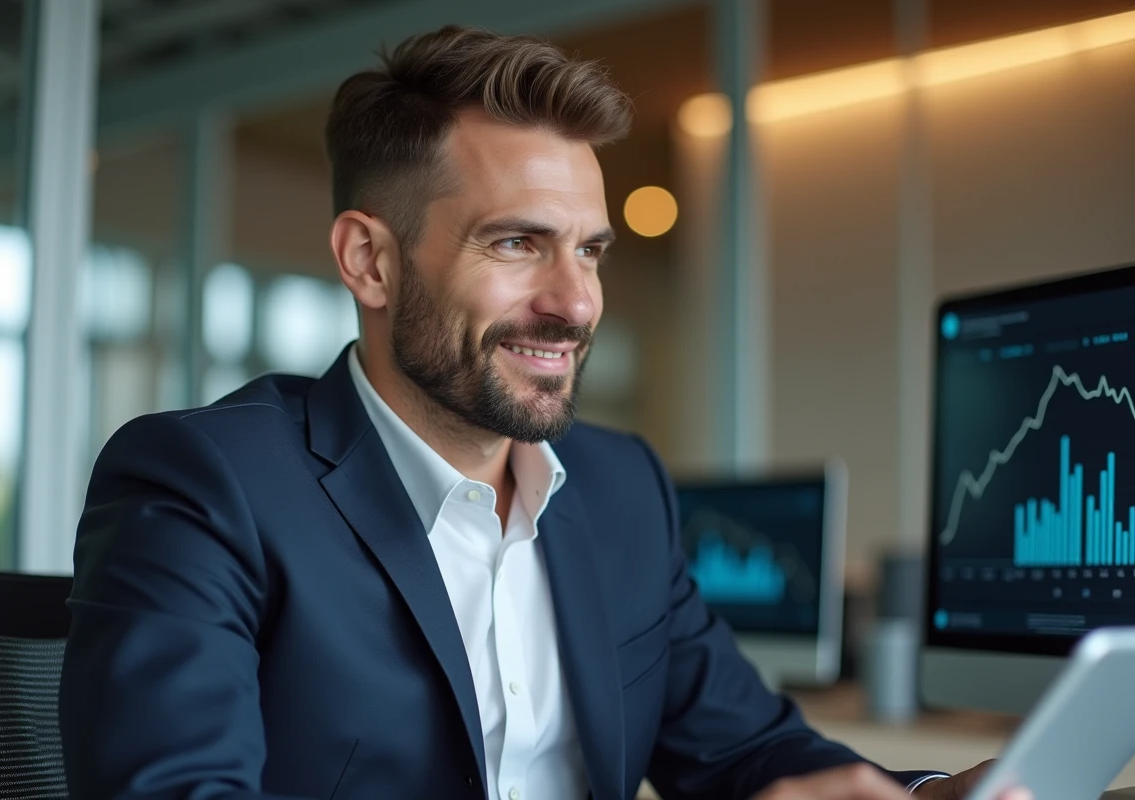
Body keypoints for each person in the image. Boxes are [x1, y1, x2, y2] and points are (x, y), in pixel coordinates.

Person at [59, 25, 1029, 800]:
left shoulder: (619, 489)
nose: (574, 302)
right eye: (519, 243)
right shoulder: (203, 484)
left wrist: (935, 793)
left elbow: (752, 754)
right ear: (370, 261)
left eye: (592, 250)